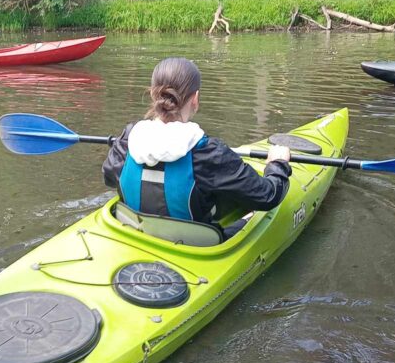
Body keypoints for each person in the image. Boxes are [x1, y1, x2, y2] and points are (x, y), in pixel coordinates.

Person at [103, 57, 292, 241]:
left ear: (153, 94)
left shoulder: (128, 140)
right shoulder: (209, 152)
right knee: (249, 213)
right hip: (196, 246)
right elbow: (268, 196)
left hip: (135, 234)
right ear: (195, 99)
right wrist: (278, 164)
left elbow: (110, 177)